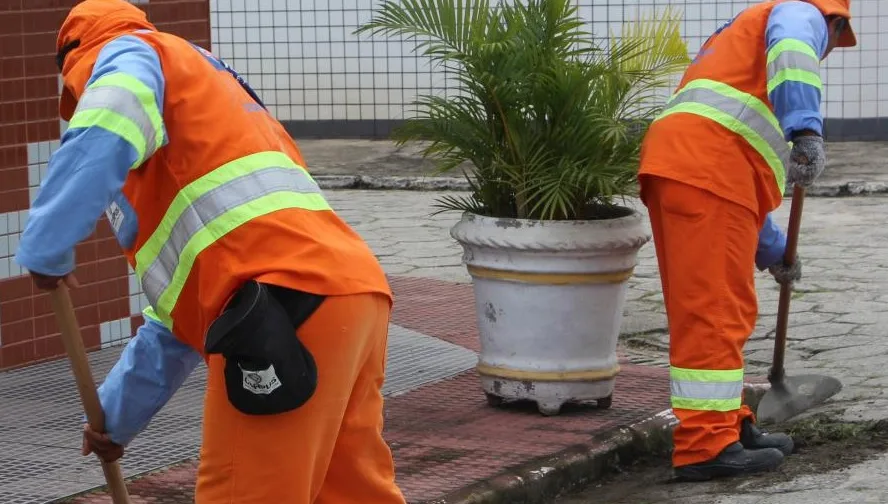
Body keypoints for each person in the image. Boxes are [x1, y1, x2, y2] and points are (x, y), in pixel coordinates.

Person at [14, 1, 407, 502]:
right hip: (349, 298)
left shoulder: (131, 53)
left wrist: (49, 241)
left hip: (280, 307)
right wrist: (112, 421)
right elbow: (176, 325)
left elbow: (108, 119)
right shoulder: (208, 105)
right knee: (349, 491)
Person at [636, 0, 856, 481]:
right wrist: (806, 130)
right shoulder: (800, 14)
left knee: (719, 306)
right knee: (713, 310)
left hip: (698, 172)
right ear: (835, 19)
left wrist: (775, 251)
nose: (827, 49)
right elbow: (795, 49)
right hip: (703, 172)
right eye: (836, 40)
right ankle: (704, 446)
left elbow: (737, 173)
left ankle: (727, 423)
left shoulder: (736, 47)